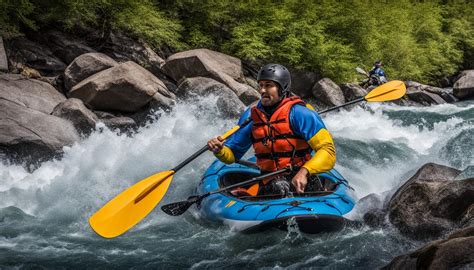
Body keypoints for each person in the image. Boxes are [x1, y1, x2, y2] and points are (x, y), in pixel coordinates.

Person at [207, 64, 336, 196]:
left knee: (282, 187)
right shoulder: (251, 117)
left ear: (282, 88)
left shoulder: (301, 114)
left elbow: (328, 151)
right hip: (270, 184)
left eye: (268, 85)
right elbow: (232, 155)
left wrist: (304, 172)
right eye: (261, 85)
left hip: (304, 180)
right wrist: (220, 150)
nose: (262, 90)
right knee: (275, 188)